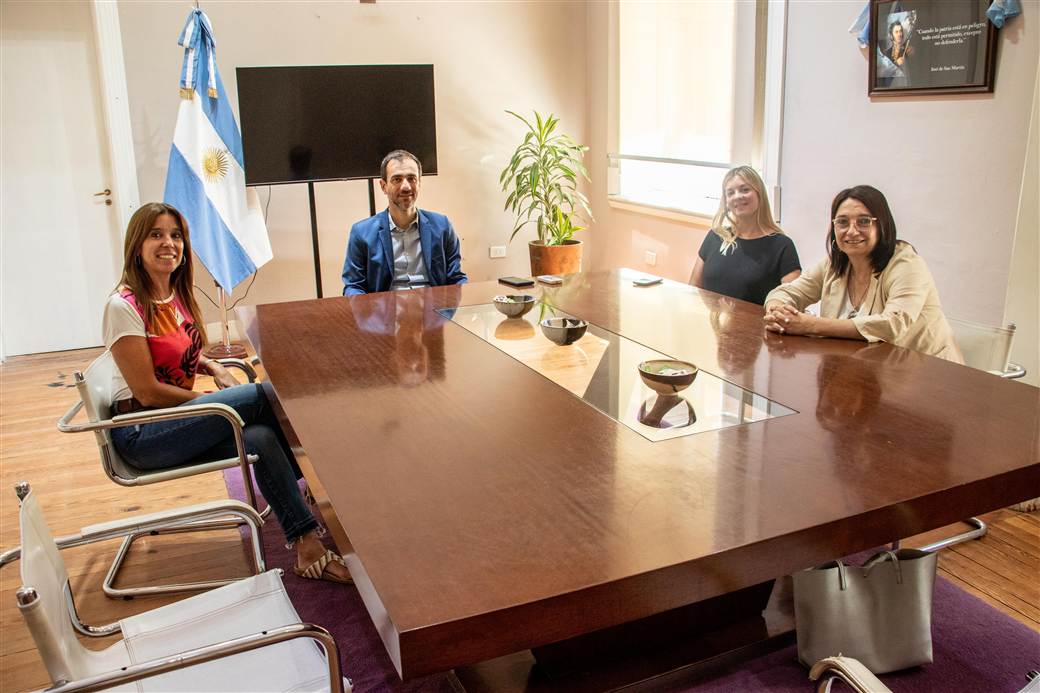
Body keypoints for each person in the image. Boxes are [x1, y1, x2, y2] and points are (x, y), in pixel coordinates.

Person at [103, 202, 352, 584]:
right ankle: (324, 486)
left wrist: (214, 367)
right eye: (156, 234)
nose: (168, 243)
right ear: (137, 245)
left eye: (175, 235)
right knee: (267, 396)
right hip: (144, 433)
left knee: (261, 436)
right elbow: (147, 392)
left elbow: (178, 348)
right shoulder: (123, 306)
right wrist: (210, 404)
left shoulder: (172, 296)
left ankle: (307, 546)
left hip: (175, 421)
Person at [762, 185, 962, 363]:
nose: (852, 231)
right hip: (864, 371)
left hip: (926, 373)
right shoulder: (834, 264)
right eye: (842, 222)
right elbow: (786, 292)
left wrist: (811, 325)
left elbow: (892, 324)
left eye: (864, 221)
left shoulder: (906, 263)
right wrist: (778, 313)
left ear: (882, 225)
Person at [342, 150, 467, 295]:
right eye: (397, 179)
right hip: (385, 308)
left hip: (433, 307)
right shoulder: (361, 233)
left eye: (412, 178)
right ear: (383, 186)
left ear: (419, 183)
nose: (406, 187)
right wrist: (368, 309)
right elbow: (353, 286)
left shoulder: (442, 226)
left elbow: (456, 278)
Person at [689, 166, 801, 305]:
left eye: (745, 190)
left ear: (759, 194)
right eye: (730, 193)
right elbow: (693, 288)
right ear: (726, 201)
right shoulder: (715, 236)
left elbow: (793, 303)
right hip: (709, 318)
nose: (737, 196)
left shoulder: (782, 246)